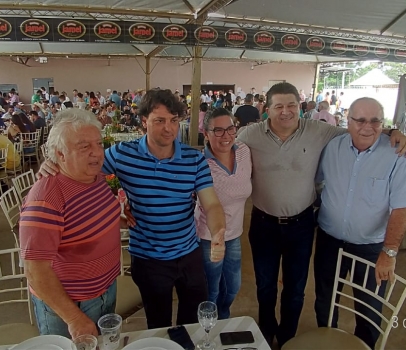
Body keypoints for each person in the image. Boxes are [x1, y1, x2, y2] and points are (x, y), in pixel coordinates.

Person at [38, 89, 226, 331]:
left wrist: (218, 232)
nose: (168, 128)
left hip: (188, 251)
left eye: (174, 121)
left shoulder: (193, 159)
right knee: (158, 324)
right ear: (144, 122)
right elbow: (84, 171)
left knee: (193, 324)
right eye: (159, 121)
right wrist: (53, 162)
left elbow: (211, 204)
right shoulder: (123, 154)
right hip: (149, 257)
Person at [236, 82, 406, 348]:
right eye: (278, 106)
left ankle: (288, 336)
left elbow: (361, 130)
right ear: (266, 109)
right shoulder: (249, 135)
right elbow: (223, 150)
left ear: (300, 107)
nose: (286, 111)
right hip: (264, 224)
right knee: (267, 286)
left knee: (296, 291)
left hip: (302, 226)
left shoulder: (320, 131)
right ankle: (267, 331)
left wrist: (393, 131)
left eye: (291, 105)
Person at [21, 109, 126, 339]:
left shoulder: (95, 178)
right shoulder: (46, 196)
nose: (97, 153)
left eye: (98, 143)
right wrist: (74, 318)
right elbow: (35, 271)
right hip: (70, 306)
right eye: (84, 147)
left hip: (104, 292)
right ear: (60, 154)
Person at [314, 97, 406, 349]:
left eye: (376, 121)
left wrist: (389, 253)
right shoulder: (332, 148)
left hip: (371, 247)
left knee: (369, 307)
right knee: (324, 300)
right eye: (361, 120)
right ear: (347, 121)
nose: (368, 126)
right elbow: (319, 183)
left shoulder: (397, 154)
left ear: (384, 123)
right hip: (329, 241)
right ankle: (327, 342)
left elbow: (401, 208)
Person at [195, 108, 252, 319]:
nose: (226, 135)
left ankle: (223, 318)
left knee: (233, 287)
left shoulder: (244, 152)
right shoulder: (200, 163)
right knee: (212, 290)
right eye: (218, 131)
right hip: (208, 236)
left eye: (230, 128)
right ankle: (208, 328)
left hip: (234, 234)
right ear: (206, 134)